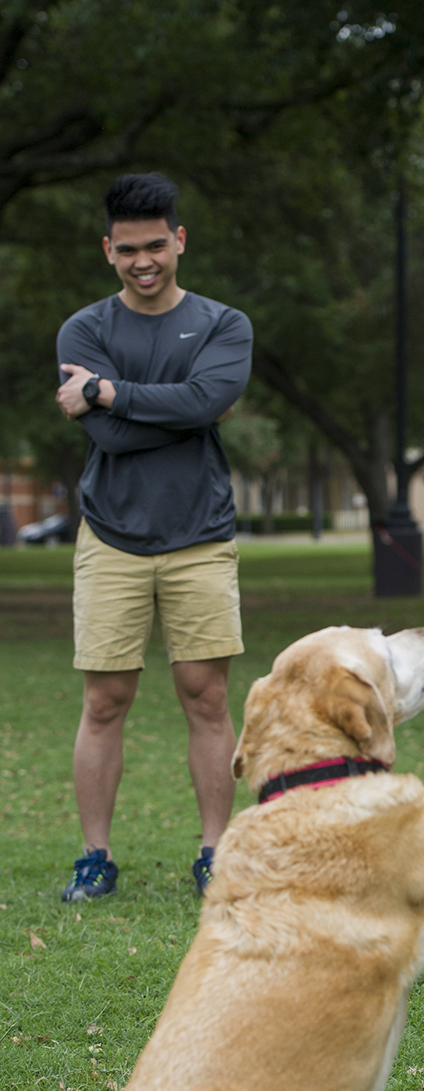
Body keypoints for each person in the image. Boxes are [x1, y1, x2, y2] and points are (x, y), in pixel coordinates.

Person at [55, 172, 253, 901]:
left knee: (206, 696)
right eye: (128, 248)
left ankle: (216, 854)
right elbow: (128, 429)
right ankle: (95, 857)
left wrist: (106, 391)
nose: (145, 260)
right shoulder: (84, 330)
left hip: (200, 534)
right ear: (109, 250)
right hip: (111, 535)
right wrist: (183, 409)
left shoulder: (224, 324)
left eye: (156, 245)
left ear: (179, 241)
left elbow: (207, 397)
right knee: (104, 698)